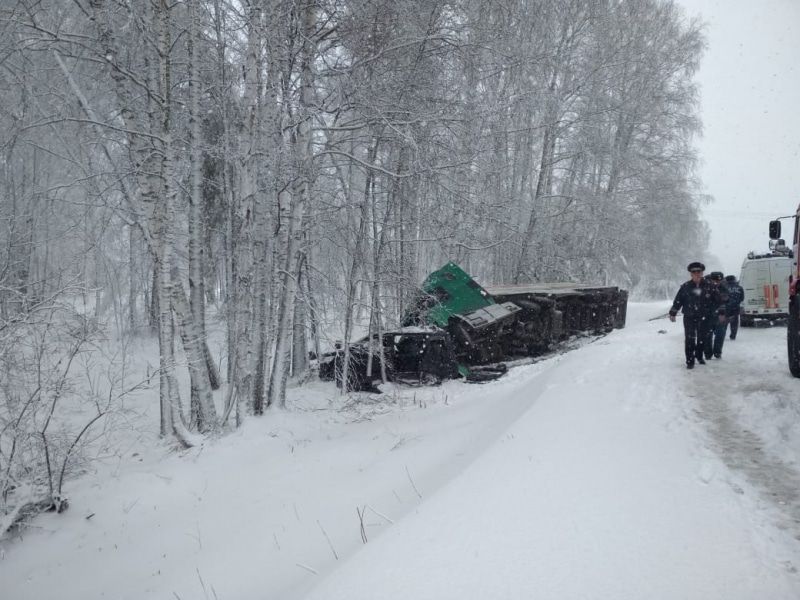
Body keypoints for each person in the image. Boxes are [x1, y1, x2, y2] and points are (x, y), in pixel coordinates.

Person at [669, 262, 725, 369]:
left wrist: (721, 312)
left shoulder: (710, 286)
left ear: (702, 273)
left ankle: (699, 356)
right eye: (694, 272)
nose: (696, 274)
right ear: (691, 274)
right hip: (689, 317)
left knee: (702, 338)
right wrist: (673, 312)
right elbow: (678, 300)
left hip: (704, 317)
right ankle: (690, 361)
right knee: (690, 338)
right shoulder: (685, 287)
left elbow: (719, 300)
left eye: (698, 271)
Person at [705, 271, 729, 359]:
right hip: (707, 315)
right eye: (714, 280)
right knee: (707, 335)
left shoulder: (724, 287)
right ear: (710, 280)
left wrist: (723, 312)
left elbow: (725, 300)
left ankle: (717, 352)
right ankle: (708, 353)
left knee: (720, 334)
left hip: (720, 315)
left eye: (719, 281)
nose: (717, 282)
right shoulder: (705, 287)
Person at [725, 274, 744, 339]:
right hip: (735, 308)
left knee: (724, 322)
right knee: (734, 323)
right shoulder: (739, 288)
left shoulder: (724, 287)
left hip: (726, 308)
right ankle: (733, 335)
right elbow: (742, 298)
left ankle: (722, 334)